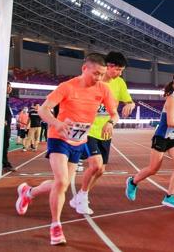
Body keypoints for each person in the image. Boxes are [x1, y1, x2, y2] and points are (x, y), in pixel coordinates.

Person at [14, 53, 119, 246]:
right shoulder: (67, 87)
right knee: (62, 181)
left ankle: (29, 192)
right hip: (58, 137)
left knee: (61, 184)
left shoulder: (103, 89)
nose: (99, 78)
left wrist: (110, 122)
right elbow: (43, 109)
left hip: (79, 140)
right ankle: (55, 226)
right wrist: (57, 123)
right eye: (96, 73)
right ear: (84, 68)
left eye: (102, 74)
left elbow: (114, 113)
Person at [70, 52, 135, 215]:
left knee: (100, 170)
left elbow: (129, 101)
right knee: (96, 165)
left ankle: (81, 194)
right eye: (118, 69)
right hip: (88, 129)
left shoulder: (119, 83)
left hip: (105, 132)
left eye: (122, 71)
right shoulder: (93, 81)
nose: (120, 73)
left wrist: (130, 104)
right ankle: (82, 198)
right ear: (108, 66)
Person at [126, 71, 174, 207]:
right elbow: (170, 122)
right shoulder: (171, 99)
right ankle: (133, 182)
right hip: (162, 137)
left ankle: (169, 196)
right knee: (153, 169)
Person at [2, 82, 15, 172]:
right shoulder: (1, 98)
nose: (10, 88)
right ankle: (5, 163)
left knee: (6, 144)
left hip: (7, 126)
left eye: (10, 87)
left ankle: (5, 162)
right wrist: (2, 119)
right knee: (4, 144)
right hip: (3, 126)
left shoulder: (6, 98)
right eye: (8, 86)